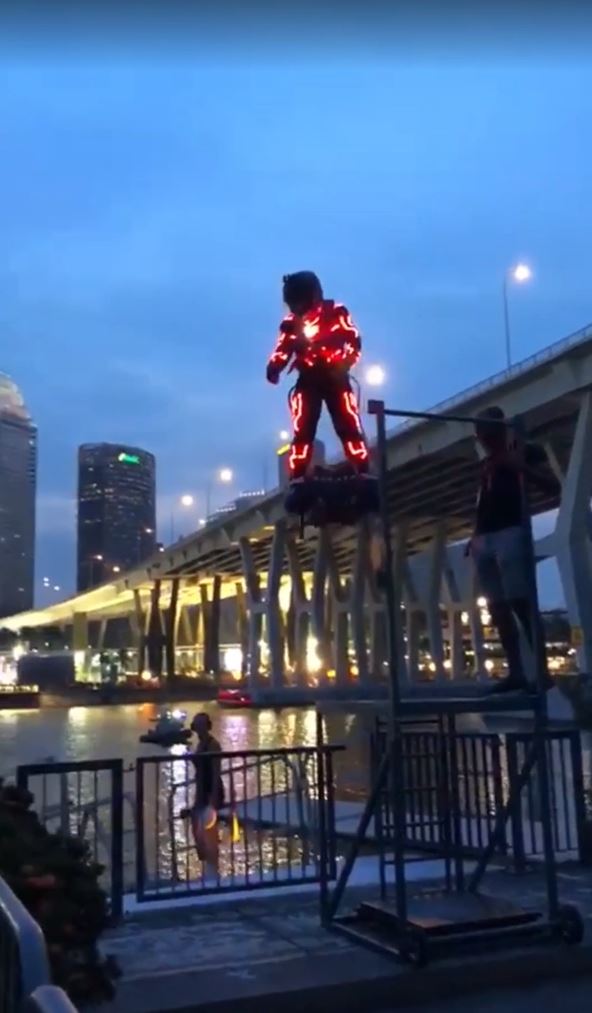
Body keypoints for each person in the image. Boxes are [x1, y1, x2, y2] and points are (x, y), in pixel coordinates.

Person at [467, 406, 560, 692]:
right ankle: (516, 672)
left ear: (500, 430)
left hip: (511, 530)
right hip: (485, 537)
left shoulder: (524, 451)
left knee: (520, 602)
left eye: (487, 433)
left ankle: (541, 672)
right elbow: (484, 501)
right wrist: (475, 534)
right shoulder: (487, 463)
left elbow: (553, 486)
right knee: (497, 607)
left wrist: (520, 467)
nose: (484, 439)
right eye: (481, 434)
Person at [266, 271, 370, 482]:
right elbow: (283, 348)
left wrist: (345, 362)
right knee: (304, 428)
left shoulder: (336, 312)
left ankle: (361, 467)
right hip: (308, 378)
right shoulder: (291, 324)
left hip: (335, 376)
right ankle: (299, 473)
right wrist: (274, 367)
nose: (298, 310)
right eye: (294, 305)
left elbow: (353, 339)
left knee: (347, 424)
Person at [188, 712, 224, 882]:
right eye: (197, 725)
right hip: (201, 790)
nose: (198, 728)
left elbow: (216, 772)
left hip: (209, 790)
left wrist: (214, 798)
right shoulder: (200, 745)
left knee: (208, 831)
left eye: (201, 725)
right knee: (196, 827)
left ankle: (212, 872)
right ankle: (206, 865)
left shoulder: (212, 745)